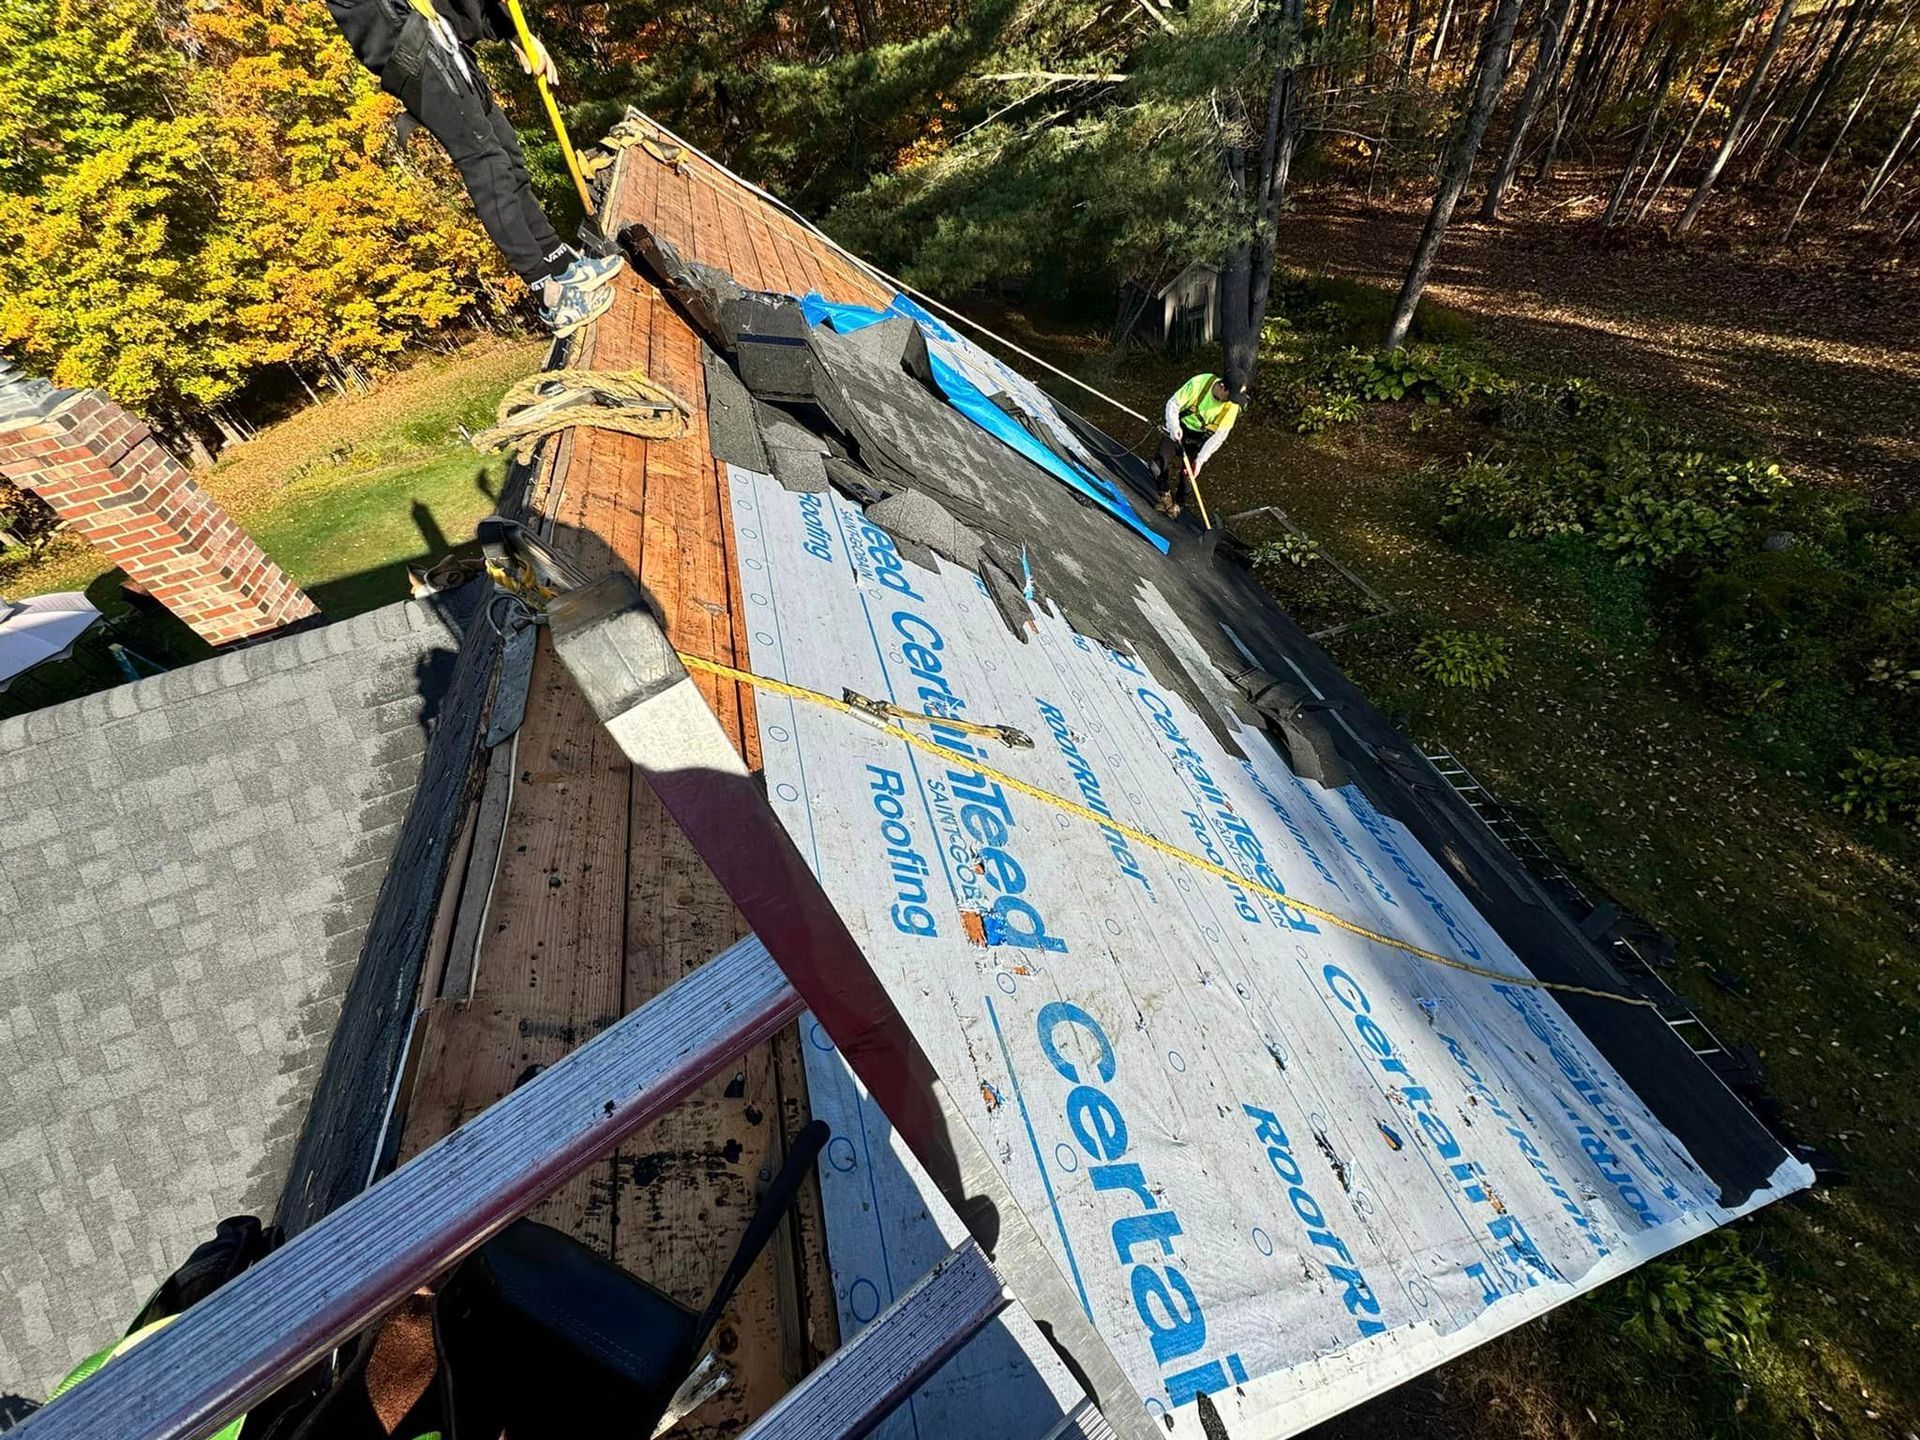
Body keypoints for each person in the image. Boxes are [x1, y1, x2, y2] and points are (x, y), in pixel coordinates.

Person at [325, 0, 623, 337]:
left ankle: (560, 262)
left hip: (442, 40)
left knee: (508, 158)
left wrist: (513, 31)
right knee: (489, 168)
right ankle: (550, 295)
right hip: (415, 51)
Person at [1154, 372, 1245, 519]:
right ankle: (1165, 497)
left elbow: (1218, 437)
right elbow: (1173, 404)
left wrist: (1200, 460)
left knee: (1188, 477)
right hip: (1178, 429)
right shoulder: (1199, 383)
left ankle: (1177, 505)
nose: (1231, 401)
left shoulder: (1232, 406)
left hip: (1198, 439)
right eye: (1229, 397)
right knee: (1157, 466)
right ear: (1222, 387)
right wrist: (1174, 427)